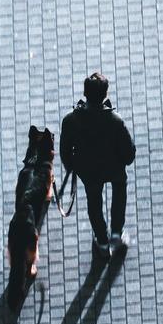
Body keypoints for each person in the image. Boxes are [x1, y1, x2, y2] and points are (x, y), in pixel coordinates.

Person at [60, 72, 136, 257]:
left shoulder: (71, 120)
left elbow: (65, 151)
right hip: (114, 168)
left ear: (85, 93)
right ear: (105, 95)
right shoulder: (115, 121)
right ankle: (117, 233)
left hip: (89, 171)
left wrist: (72, 167)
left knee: (94, 202)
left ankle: (102, 241)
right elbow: (129, 154)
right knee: (119, 191)